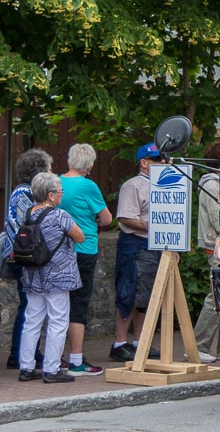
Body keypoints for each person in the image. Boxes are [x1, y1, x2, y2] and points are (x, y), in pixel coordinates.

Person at [17, 172, 84, 383]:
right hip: (58, 275)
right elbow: (80, 236)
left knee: (32, 321)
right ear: (50, 195)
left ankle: (26, 367)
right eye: (59, 191)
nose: (61, 194)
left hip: (33, 274)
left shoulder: (27, 214)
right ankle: (51, 369)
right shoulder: (60, 215)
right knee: (58, 321)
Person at [58, 143, 112, 376]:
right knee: (79, 304)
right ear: (89, 166)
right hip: (84, 247)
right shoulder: (89, 186)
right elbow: (107, 219)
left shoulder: (55, 183)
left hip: (59, 249)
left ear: (69, 161)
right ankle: (76, 360)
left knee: (58, 303)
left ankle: (54, 357)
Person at [110, 142, 163, 363]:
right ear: (144, 163)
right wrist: (156, 225)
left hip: (153, 245)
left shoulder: (163, 186)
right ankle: (120, 343)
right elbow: (124, 217)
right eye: (157, 159)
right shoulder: (132, 186)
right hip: (134, 244)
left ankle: (139, 342)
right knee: (128, 294)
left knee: (146, 296)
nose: (163, 163)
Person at [3, 148, 53, 370]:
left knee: (29, 305)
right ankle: (20, 354)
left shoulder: (20, 192)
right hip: (23, 258)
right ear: (39, 170)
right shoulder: (25, 193)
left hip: (21, 256)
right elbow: (32, 223)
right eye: (49, 168)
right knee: (28, 306)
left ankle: (27, 352)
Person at [192, 142, 220, 362]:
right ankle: (198, 345)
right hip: (218, 247)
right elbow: (218, 219)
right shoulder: (213, 185)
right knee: (215, 295)